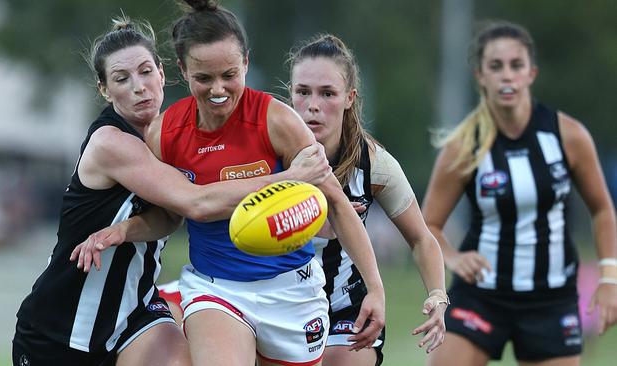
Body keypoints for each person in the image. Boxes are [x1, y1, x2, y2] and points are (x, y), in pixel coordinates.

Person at [77, 2, 384, 365]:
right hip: (215, 289)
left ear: (246, 64)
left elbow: (336, 202)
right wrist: (124, 230)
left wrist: (376, 289)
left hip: (292, 291)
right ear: (182, 70)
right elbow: (171, 217)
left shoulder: (278, 121)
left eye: (229, 75)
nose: (218, 89)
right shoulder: (166, 133)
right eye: (204, 79)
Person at [12, 16, 330, 366]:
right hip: (62, 328)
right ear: (104, 89)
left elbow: (168, 218)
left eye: (146, 72)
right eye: (122, 78)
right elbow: (197, 203)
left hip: (136, 316)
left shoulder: (170, 137)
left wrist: (123, 230)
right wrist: (290, 179)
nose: (139, 87)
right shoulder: (111, 142)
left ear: (163, 74)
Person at [422, 20, 617, 366]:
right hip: (481, 297)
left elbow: (602, 209)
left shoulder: (568, 136)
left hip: (551, 299)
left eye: (516, 65)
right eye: (496, 67)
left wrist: (609, 277)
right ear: (480, 76)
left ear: (531, 73)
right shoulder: (463, 147)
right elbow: (428, 226)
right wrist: (453, 258)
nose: (506, 76)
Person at [287, 34, 448, 366]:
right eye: (303, 92)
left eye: (327, 93)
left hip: (348, 308)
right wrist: (309, 227)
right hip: (279, 303)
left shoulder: (375, 164)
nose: (313, 105)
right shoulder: (267, 155)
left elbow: (421, 239)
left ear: (350, 98)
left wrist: (438, 296)